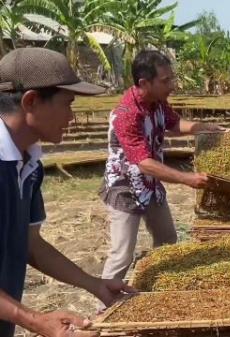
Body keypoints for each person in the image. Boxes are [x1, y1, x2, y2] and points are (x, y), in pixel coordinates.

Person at [0, 48, 135, 337]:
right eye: (67, 104)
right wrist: (36, 320)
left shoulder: (29, 164)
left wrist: (95, 284)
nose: (72, 117)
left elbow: (30, 244)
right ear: (31, 101)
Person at [98, 50, 224, 293]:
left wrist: (203, 128)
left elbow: (174, 124)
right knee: (122, 254)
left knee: (167, 241)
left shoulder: (157, 104)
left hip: (150, 186)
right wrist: (187, 179)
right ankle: (103, 305)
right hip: (125, 188)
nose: (172, 86)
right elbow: (143, 162)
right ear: (144, 83)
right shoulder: (125, 115)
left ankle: (154, 286)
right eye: (166, 81)